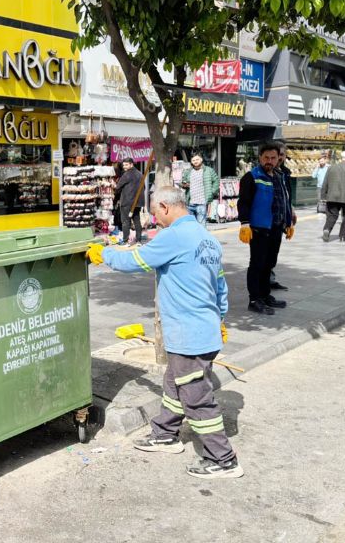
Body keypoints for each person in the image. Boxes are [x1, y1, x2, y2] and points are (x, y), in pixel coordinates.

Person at [86, 186, 242, 479]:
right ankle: (165, 435)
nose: (153, 219)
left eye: (154, 212)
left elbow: (135, 261)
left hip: (188, 336)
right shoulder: (208, 240)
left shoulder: (174, 237)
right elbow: (221, 287)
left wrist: (103, 254)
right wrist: (219, 319)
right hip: (205, 331)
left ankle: (222, 459)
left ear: (165, 207)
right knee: (174, 384)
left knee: (196, 397)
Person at [238, 143, 294, 315]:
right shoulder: (251, 177)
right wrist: (245, 223)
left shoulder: (280, 176)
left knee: (269, 264)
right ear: (260, 158)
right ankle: (254, 299)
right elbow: (244, 202)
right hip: (259, 229)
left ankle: (265, 295)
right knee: (257, 264)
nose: (269, 161)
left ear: (279, 158)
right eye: (266, 158)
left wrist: (289, 220)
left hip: (276, 228)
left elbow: (284, 199)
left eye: (273, 158)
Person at [269, 143, 296, 292]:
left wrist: (291, 211)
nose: (279, 158)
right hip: (268, 222)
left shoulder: (285, 172)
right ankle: (262, 288)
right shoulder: (265, 172)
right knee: (265, 255)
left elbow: (286, 195)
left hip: (281, 219)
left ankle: (270, 280)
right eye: (275, 155)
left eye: (281, 155)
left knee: (274, 252)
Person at [180, 152, 219, 226]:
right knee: (191, 226)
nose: (195, 161)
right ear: (191, 161)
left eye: (197, 159)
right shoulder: (188, 171)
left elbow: (216, 182)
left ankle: (202, 238)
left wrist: (211, 192)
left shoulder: (209, 170)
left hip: (202, 203)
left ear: (201, 160)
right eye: (193, 160)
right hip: (190, 203)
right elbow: (183, 182)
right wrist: (184, 185)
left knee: (201, 226)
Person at [114, 157, 144, 244]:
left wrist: (116, 195)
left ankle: (125, 241)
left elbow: (118, 187)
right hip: (138, 202)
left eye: (126, 165)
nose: (124, 167)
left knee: (126, 221)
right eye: (123, 165)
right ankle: (138, 240)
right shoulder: (140, 174)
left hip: (127, 202)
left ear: (131, 164)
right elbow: (143, 188)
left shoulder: (126, 174)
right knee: (136, 221)